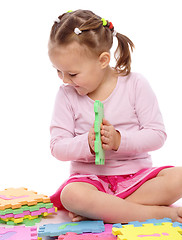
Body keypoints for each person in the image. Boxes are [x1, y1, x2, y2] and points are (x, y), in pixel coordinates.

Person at [48, 9, 182, 223]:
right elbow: (57, 146)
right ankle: (158, 213)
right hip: (89, 182)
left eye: (72, 73)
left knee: (180, 177)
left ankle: (105, 210)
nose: (64, 80)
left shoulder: (135, 84)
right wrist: (87, 143)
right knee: (72, 195)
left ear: (103, 60)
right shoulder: (66, 95)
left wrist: (120, 139)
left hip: (137, 179)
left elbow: (157, 135)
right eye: (58, 71)